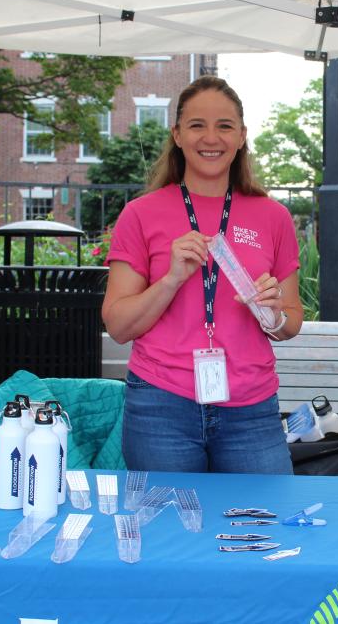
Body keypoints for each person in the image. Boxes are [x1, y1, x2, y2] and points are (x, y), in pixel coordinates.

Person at [102, 76, 303, 474]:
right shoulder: (140, 214)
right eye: (197, 125)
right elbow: (118, 326)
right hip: (162, 406)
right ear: (177, 134)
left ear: (242, 136)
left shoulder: (273, 216)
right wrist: (172, 278)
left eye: (224, 126)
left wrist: (273, 314)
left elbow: (291, 320)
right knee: (170, 534)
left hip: (250, 409)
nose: (211, 137)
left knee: (261, 526)